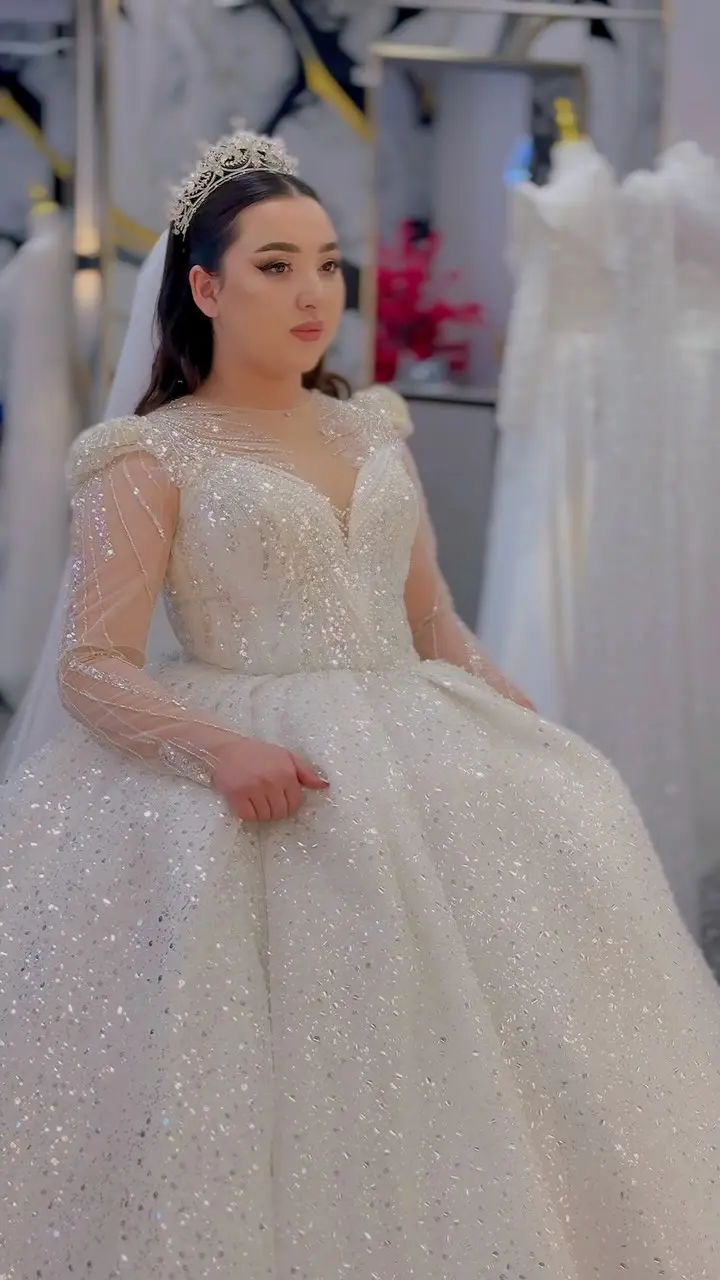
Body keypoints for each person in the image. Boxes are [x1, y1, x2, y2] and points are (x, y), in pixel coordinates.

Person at [1, 129, 719, 1280]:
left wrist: (511, 711)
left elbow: (430, 615)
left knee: (501, 1019)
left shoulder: (372, 423)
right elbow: (93, 662)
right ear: (205, 287)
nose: (313, 294)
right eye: (276, 265)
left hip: (415, 740)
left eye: (329, 265)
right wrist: (220, 749)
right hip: (250, 774)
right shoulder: (146, 456)